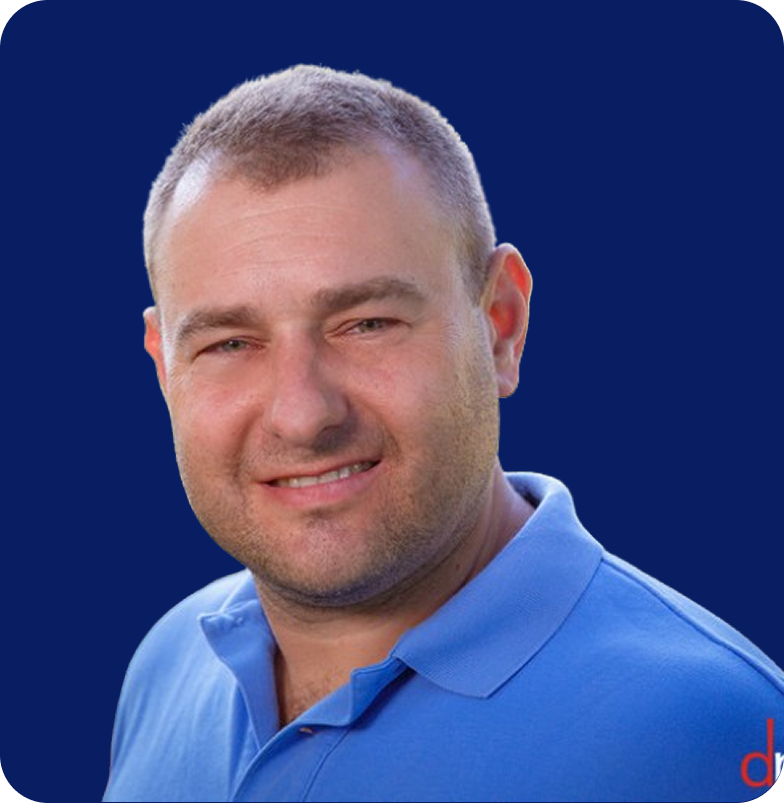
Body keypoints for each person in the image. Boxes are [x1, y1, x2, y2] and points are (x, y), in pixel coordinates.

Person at [104, 65, 784, 802]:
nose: (302, 414)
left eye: (367, 323)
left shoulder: (711, 734)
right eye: (230, 343)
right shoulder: (170, 660)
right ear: (166, 368)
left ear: (500, 327)